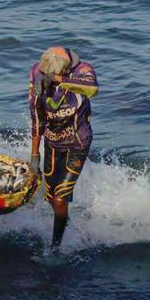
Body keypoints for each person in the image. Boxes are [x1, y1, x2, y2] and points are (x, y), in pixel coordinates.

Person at [29, 47, 98, 249]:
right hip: (52, 141)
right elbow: (36, 116)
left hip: (77, 142)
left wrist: (60, 80)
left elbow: (93, 88)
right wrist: (34, 155)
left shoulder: (82, 70)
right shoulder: (36, 72)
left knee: (60, 197)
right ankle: (64, 219)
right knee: (51, 196)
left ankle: (55, 247)